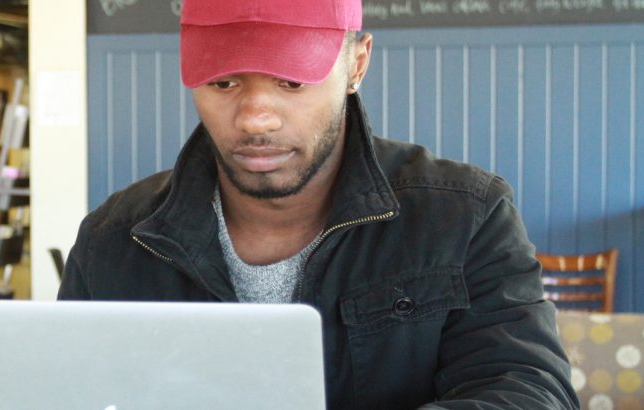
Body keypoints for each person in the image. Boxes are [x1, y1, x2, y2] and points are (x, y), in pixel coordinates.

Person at [58, 0, 578, 407]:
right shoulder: (113, 241)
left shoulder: (466, 217)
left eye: (291, 81)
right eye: (223, 82)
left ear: (357, 63)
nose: (255, 119)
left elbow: (529, 393)